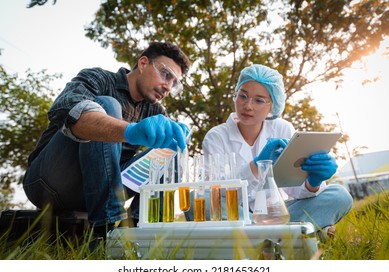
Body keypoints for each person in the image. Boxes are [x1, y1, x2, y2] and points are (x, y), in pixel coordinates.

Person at [23, 41, 191, 235]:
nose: (168, 87)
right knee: (107, 105)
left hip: (100, 191)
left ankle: (141, 230)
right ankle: (107, 230)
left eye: (174, 83)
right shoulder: (98, 78)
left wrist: (173, 143)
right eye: (166, 74)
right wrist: (130, 130)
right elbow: (64, 111)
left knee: (174, 142)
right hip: (51, 184)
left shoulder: (154, 111)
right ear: (143, 63)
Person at [201, 64, 353, 238]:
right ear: (235, 95)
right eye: (242, 96)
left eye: (259, 100)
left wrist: (313, 182)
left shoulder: (282, 129)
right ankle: (294, 235)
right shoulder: (216, 137)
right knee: (199, 201)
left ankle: (259, 239)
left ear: (273, 105)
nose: (248, 106)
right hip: (237, 214)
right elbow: (215, 192)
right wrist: (255, 167)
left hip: (277, 213)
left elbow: (296, 190)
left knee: (339, 195)